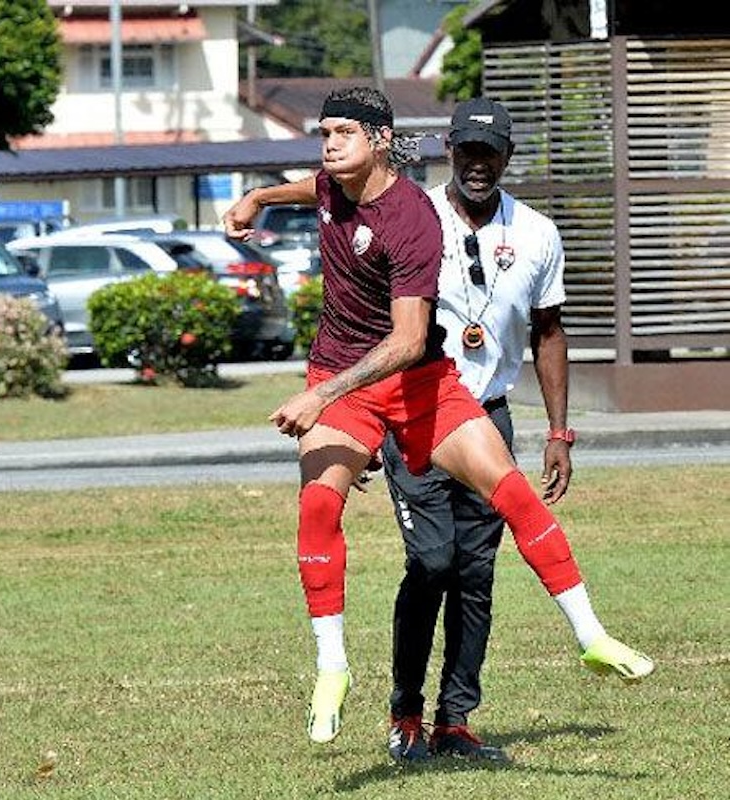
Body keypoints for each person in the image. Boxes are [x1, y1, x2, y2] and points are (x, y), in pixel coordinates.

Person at [221, 86, 653, 749]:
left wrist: (319, 397)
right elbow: (312, 188)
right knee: (342, 520)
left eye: (343, 132)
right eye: (325, 132)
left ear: (382, 140)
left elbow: (407, 342)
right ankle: (337, 671)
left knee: (507, 501)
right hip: (349, 386)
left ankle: (588, 637)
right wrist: (257, 198)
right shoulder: (338, 182)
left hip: (420, 384)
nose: (329, 143)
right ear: (446, 148)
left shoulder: (419, 220)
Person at [377, 97, 575, 764]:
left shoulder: (540, 233)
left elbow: (549, 331)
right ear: (449, 152)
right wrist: (361, 417)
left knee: (476, 572)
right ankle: (406, 711)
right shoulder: (412, 216)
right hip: (414, 413)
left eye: (490, 153)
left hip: (488, 415)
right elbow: (371, 320)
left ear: (509, 156)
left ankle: (455, 720)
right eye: (467, 152)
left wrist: (559, 431)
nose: (478, 164)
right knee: (431, 561)